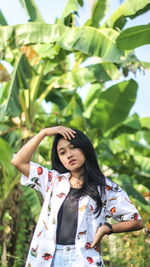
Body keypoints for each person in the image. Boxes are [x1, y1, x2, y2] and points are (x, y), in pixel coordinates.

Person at [11, 126, 143, 267]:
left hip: (83, 258)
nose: (69, 155)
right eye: (62, 152)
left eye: (73, 148)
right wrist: (44, 133)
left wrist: (107, 228)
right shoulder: (52, 180)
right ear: (59, 158)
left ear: (85, 148)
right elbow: (18, 161)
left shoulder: (105, 187)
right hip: (49, 258)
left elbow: (136, 221)